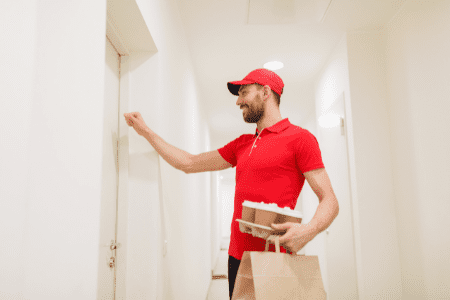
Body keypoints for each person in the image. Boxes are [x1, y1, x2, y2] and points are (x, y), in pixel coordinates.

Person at [124, 68, 339, 300]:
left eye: (244, 92)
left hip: (275, 257)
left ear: (266, 92)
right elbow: (188, 162)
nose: (238, 101)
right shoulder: (242, 144)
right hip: (237, 258)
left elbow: (330, 200)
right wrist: (145, 131)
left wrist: (309, 230)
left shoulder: (300, 139)